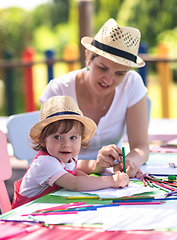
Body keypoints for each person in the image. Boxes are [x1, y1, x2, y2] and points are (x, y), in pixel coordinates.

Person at [39, 18, 149, 178]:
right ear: (88, 57)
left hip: (109, 181)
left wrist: (128, 163)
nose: (108, 80)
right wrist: (94, 166)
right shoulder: (59, 90)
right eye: (102, 68)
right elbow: (49, 157)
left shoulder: (132, 83)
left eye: (120, 73)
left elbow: (141, 147)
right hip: (63, 180)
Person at [11, 96, 130, 209]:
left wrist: (96, 172)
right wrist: (112, 181)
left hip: (47, 210)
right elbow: (74, 183)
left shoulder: (66, 157)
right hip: (25, 215)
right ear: (42, 140)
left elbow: (75, 170)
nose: (66, 144)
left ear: (81, 139)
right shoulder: (45, 162)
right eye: (57, 137)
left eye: (72, 138)